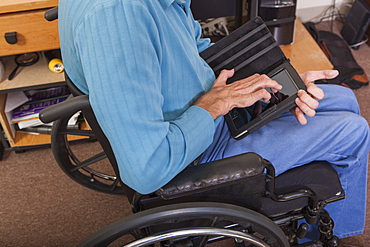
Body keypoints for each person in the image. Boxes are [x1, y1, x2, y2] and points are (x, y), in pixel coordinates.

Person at [58, 0, 369, 241]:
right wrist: (214, 105)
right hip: (189, 154)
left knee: (342, 99)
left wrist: (277, 84)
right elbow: (146, 169)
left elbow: (196, 53)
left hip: (201, 107)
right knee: (352, 132)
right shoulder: (116, 19)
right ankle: (324, 238)